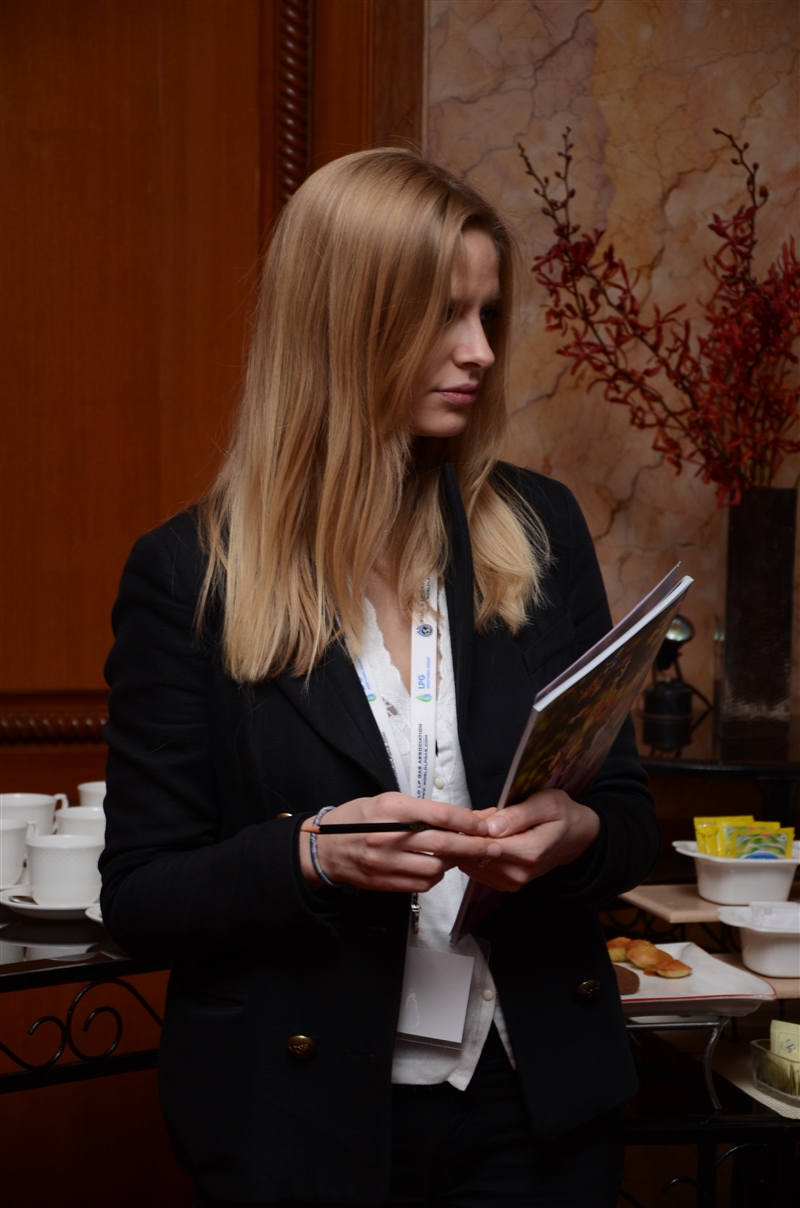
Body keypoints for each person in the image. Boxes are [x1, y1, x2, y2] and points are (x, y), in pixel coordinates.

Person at [100, 149, 659, 1208]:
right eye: (444, 315)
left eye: (487, 313)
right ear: (341, 324)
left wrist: (575, 833)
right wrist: (311, 856)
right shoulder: (188, 575)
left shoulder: (539, 527)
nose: (479, 350)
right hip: (303, 1120)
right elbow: (140, 895)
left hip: (535, 1107)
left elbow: (628, 816)